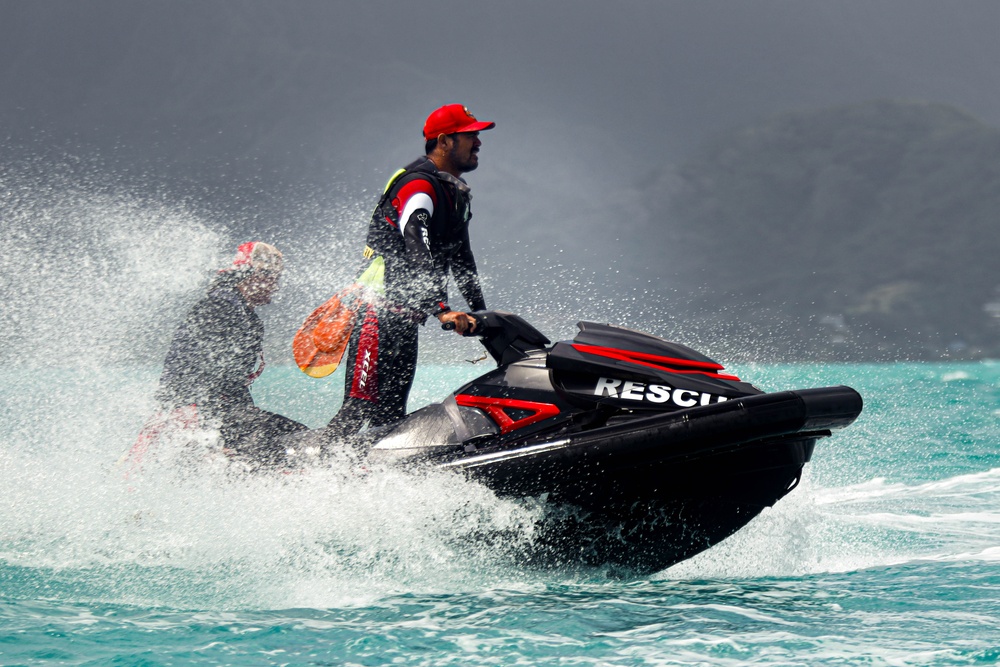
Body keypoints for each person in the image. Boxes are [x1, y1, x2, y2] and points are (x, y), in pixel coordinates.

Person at [332, 104, 496, 434]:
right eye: (470, 135)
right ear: (444, 141)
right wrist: (441, 310)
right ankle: (313, 473)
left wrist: (486, 317)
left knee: (391, 416)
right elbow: (415, 245)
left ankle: (373, 481)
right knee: (357, 411)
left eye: (477, 134)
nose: (478, 141)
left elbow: (462, 259)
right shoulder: (418, 186)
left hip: (406, 319)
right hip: (376, 314)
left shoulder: (455, 194)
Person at [150, 241, 306, 466]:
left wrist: (243, 414)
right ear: (254, 276)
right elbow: (193, 374)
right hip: (195, 411)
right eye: (273, 278)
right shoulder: (219, 310)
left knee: (292, 431)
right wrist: (217, 434)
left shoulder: (245, 316)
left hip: (216, 410)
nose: (276, 286)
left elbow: (233, 383)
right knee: (274, 434)